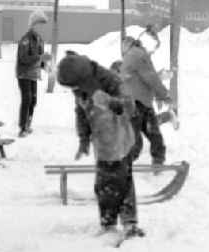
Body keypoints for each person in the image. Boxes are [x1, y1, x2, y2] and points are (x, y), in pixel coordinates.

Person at [56, 51, 144, 240]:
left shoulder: (111, 80)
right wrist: (84, 139)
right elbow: (81, 112)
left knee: (123, 182)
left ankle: (130, 223)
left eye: (75, 86)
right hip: (103, 143)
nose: (75, 90)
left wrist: (107, 101)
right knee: (103, 185)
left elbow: (129, 107)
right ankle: (108, 223)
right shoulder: (81, 86)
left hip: (121, 140)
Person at [120, 35, 175, 168]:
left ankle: (122, 165)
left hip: (136, 103)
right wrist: (163, 95)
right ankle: (156, 162)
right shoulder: (138, 55)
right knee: (152, 135)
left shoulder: (134, 55)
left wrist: (161, 95)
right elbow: (151, 78)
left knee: (142, 137)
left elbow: (150, 78)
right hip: (139, 103)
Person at [15, 11, 45, 137]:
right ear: (32, 24)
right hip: (24, 73)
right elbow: (23, 58)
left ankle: (28, 124)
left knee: (33, 100)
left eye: (42, 25)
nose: (41, 27)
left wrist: (45, 65)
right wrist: (39, 57)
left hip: (33, 74)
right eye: (38, 24)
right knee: (26, 99)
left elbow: (40, 58)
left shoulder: (39, 39)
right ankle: (22, 127)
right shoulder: (26, 39)